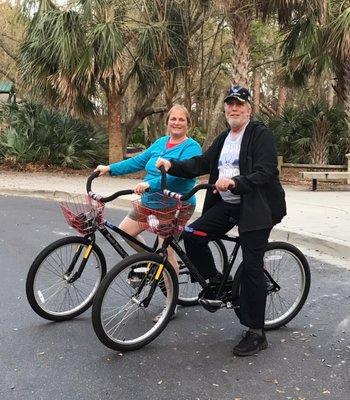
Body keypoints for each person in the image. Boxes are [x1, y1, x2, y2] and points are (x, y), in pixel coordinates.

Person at [156, 85, 286, 356]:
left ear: (249, 108)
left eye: (239, 104)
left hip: (256, 209)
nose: (234, 108)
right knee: (192, 234)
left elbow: (265, 172)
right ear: (225, 108)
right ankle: (216, 281)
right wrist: (172, 165)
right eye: (230, 104)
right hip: (227, 206)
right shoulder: (224, 137)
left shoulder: (260, 135)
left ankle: (255, 332)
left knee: (251, 268)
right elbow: (202, 163)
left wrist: (236, 182)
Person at [95, 104, 202, 320]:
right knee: (125, 231)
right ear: (167, 122)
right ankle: (153, 262)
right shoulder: (160, 143)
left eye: (182, 119)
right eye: (173, 119)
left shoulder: (191, 148)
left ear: (188, 124)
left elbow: (179, 177)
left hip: (177, 204)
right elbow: (138, 161)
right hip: (151, 201)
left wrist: (150, 183)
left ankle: (171, 303)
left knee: (167, 248)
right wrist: (110, 169)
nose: (177, 122)